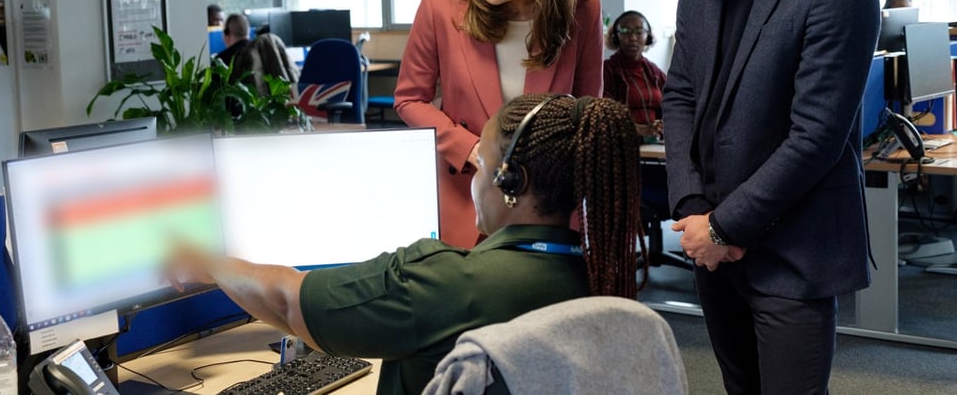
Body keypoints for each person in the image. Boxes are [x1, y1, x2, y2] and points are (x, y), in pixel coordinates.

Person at [166, 93, 646, 395]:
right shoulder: (605, 279)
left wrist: (209, 262)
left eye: (481, 163)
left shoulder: (447, 283)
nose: (473, 178)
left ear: (510, 181)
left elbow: (288, 302)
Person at [656, 0, 879, 394]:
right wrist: (692, 209)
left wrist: (725, 225)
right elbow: (680, 93)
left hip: (792, 252)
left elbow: (816, 137)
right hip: (713, 248)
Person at [395, 0, 604, 249]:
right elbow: (410, 99)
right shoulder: (440, 4)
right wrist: (473, 148)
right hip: (464, 194)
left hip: (546, 204)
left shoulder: (582, 8)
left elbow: (587, 111)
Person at [603, 10, 665, 140]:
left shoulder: (655, 72)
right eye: (625, 31)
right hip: (620, 143)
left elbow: (673, 104)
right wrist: (637, 129)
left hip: (654, 143)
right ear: (615, 37)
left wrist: (661, 125)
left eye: (639, 32)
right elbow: (604, 113)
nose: (633, 38)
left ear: (648, 37)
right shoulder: (607, 70)